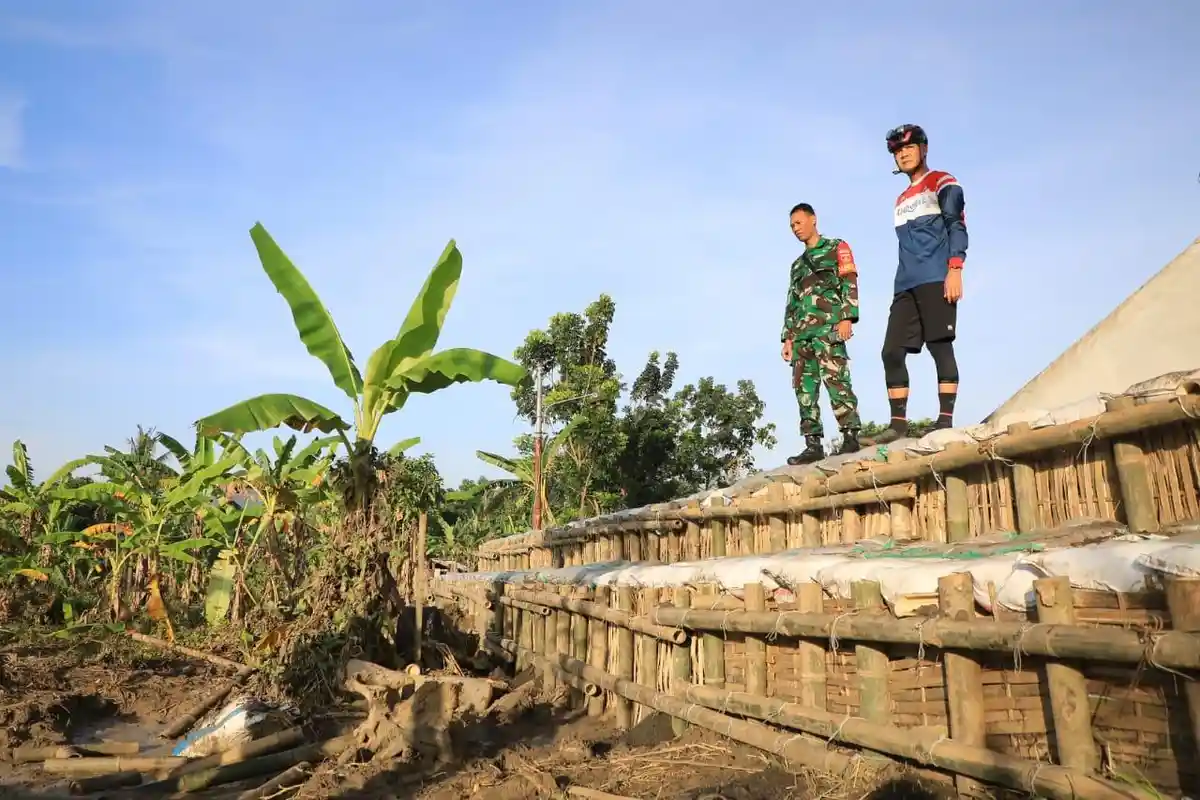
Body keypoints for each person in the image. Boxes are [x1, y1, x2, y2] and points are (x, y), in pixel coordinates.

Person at [871, 124, 968, 445]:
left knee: (940, 346)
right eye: (898, 151)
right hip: (904, 285)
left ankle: (945, 420)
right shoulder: (900, 199)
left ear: (924, 149)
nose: (903, 154)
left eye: (910, 147)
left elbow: (956, 225)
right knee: (891, 352)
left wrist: (955, 268)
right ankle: (898, 425)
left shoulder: (942, 181)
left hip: (936, 277)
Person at [780, 203, 863, 465]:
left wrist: (847, 317)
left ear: (813, 219)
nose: (795, 229)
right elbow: (792, 301)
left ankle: (850, 436)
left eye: (799, 223)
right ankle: (812, 444)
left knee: (837, 382)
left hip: (829, 330)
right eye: (792, 226)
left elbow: (849, 281)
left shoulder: (836, 247)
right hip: (802, 336)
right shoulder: (797, 265)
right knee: (804, 391)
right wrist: (787, 337)